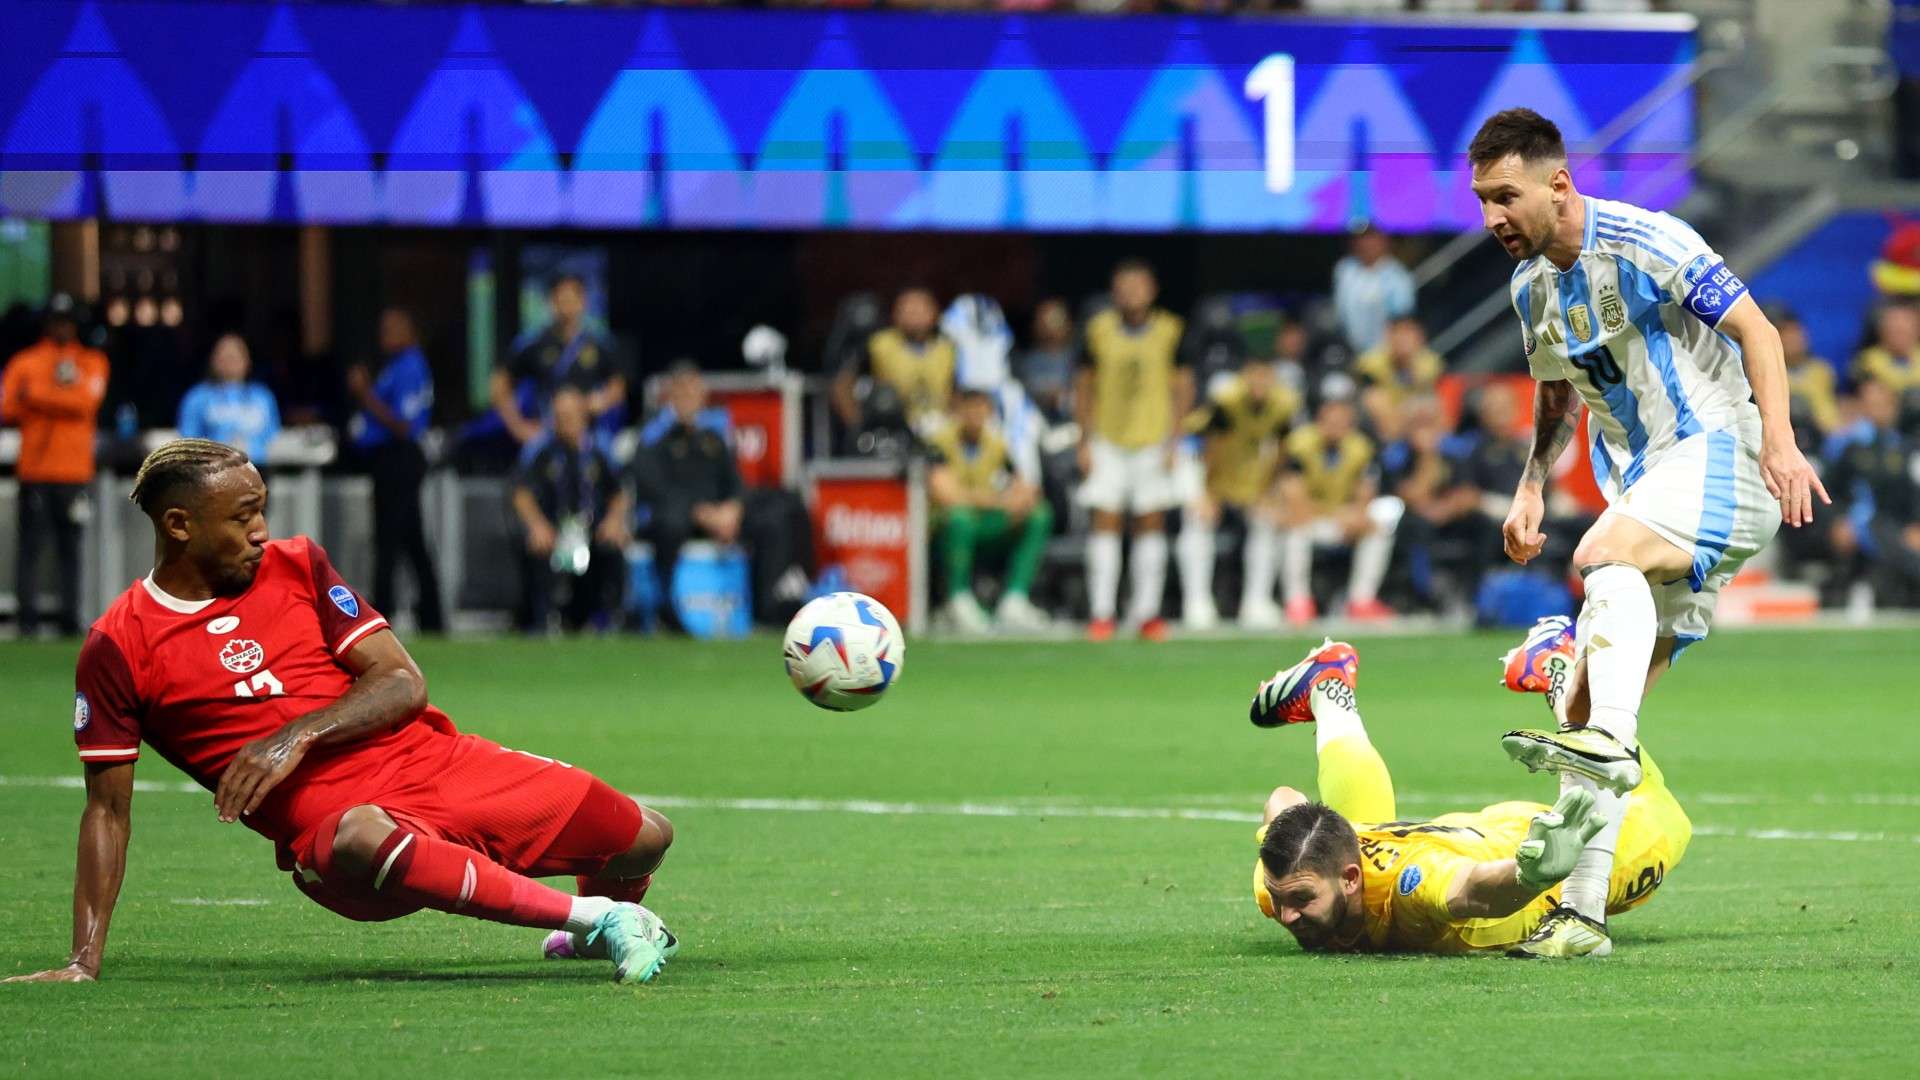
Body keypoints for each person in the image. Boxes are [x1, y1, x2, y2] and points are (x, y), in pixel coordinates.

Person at [4, 438, 676, 987]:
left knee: (646, 836)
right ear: (180, 526)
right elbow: (107, 811)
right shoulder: (119, 644)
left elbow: (402, 681)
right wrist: (82, 960)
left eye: (261, 509)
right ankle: (596, 918)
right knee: (358, 833)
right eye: (241, 517)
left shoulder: (297, 566)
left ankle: (590, 927)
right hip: (339, 837)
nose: (260, 531)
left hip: (434, 762)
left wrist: (296, 734)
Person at [1473, 107, 1823, 957]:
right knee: (1580, 710)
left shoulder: (1646, 240)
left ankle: (1610, 742)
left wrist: (1779, 439)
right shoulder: (1531, 289)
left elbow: (1757, 331)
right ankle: (1583, 916)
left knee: (1599, 556)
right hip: (1649, 486)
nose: (1493, 218)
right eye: (1483, 201)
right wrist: (1530, 488)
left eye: (1506, 196)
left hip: (1720, 455)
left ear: (1558, 182)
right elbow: (1557, 391)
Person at [1246, 638, 1689, 956]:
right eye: (1281, 898)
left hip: (1546, 848)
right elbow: (1283, 801)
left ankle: (1557, 667)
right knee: (1344, 828)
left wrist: (1532, 876)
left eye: (1302, 900)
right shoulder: (1281, 879)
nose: (1285, 915)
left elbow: (1472, 892)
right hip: (1476, 834)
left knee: (1666, 820)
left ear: (1350, 878)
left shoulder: (1413, 885)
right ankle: (1328, 689)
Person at [1076, 259, 1191, 642]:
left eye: (1138, 286)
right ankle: (1102, 613)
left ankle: (1147, 613)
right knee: (1105, 520)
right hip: (1107, 439)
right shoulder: (1098, 331)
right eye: (1123, 286)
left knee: (1150, 521)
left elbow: (1183, 386)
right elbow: (1083, 384)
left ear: (1152, 290)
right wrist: (1084, 439)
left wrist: (1176, 440)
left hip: (1154, 440)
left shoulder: (1170, 331)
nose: (1131, 293)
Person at [1, 295, 108, 637]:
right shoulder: (26, 360)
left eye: (67, 320)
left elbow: (86, 402)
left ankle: (70, 619)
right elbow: (6, 407)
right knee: (29, 549)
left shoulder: (92, 360)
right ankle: (27, 621)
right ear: (46, 324)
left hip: (74, 471)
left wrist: (36, 397)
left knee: (70, 549)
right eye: (55, 320)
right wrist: (60, 398)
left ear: (75, 325)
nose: (61, 326)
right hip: (34, 469)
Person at [1176, 355, 1301, 630]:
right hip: (1202, 468)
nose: (1260, 382)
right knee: (1198, 520)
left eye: (1265, 374)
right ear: (1245, 375)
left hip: (1247, 477)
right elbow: (1209, 448)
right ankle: (1196, 602)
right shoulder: (1227, 401)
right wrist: (1206, 493)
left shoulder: (1283, 404)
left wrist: (1268, 490)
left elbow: (1281, 450)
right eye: (1254, 374)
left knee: (1266, 520)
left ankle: (1256, 602)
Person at [347, 307, 444, 634]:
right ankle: (432, 616)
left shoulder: (411, 366)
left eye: (393, 328)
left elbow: (403, 425)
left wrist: (364, 394)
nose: (385, 334)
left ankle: (382, 614)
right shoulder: (394, 366)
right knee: (411, 539)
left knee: (388, 539)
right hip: (387, 458)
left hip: (399, 458)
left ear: (410, 331)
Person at [926, 387, 1052, 634]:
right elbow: (947, 494)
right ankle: (957, 600)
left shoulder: (997, 445)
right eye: (969, 407)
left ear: (990, 412)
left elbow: (1022, 486)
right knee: (960, 518)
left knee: (1039, 514)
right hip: (944, 531)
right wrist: (996, 501)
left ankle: (1015, 599)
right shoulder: (938, 442)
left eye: (981, 408)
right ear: (958, 410)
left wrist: (1021, 499)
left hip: (984, 524)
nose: (975, 414)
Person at [511, 388, 631, 633]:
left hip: (591, 528)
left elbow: (618, 492)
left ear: (584, 415)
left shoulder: (600, 449)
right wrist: (536, 525)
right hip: (555, 528)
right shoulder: (541, 450)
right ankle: (541, 620)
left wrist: (615, 521)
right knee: (537, 547)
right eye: (560, 416)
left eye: (572, 415)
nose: (566, 421)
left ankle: (608, 620)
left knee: (613, 544)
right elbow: (521, 493)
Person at [1278, 397, 1401, 624]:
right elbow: (1296, 499)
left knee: (1378, 527)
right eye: (1330, 422)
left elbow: (1365, 494)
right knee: (1295, 529)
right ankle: (1297, 601)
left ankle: (1361, 600)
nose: (1335, 428)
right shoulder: (1299, 444)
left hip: (1339, 520)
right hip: (1311, 519)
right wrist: (1338, 513)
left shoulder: (1360, 447)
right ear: (1319, 422)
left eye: (1342, 422)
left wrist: (1356, 516)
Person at [630, 362, 745, 607]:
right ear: (670, 395)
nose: (689, 399)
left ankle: (768, 605)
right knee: (671, 522)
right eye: (683, 393)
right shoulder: (654, 433)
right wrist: (700, 512)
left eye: (695, 393)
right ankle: (668, 604)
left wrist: (732, 508)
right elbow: (653, 487)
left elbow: (734, 481)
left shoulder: (713, 434)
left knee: (773, 515)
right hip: (672, 515)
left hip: (715, 517)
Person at [491, 274, 628, 446]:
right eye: (562, 299)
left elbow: (618, 386)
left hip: (590, 433)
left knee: (613, 461)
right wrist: (518, 427)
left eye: (572, 298)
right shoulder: (533, 342)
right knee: (531, 460)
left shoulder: (600, 342)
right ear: (552, 302)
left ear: (583, 301)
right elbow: (499, 384)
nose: (567, 305)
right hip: (546, 432)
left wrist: (601, 401)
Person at [1826, 381, 1920, 606]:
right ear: (1862, 408)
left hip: (1898, 524)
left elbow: (1914, 492)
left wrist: (1916, 524)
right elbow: (1828, 490)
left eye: (1884, 405)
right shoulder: (1848, 446)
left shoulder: (1906, 448)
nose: (1879, 411)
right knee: (1900, 550)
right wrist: (1838, 521)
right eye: (1872, 405)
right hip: (1863, 522)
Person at [831, 286, 957, 439]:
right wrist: (857, 426)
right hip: (891, 428)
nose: (913, 314)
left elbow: (958, 393)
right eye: (907, 309)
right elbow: (843, 385)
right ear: (895, 314)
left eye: (920, 309)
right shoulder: (878, 344)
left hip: (938, 426)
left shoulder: (948, 349)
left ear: (934, 314)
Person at [176, 334, 280, 462]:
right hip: (212, 470)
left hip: (258, 468)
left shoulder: (263, 396)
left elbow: (273, 436)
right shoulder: (197, 397)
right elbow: (188, 440)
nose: (230, 362)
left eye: (235, 357)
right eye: (224, 357)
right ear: (213, 361)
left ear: (247, 361)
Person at [1331, 224, 1415, 353]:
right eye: (1362, 238)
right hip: (1348, 349)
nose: (1366, 244)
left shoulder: (1397, 275)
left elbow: (1402, 319)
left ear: (1384, 241)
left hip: (1385, 353)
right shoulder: (1344, 269)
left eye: (1371, 238)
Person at [1352, 315, 1442, 408]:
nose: (1402, 338)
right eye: (1397, 332)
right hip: (1382, 412)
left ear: (1420, 337)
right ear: (1388, 335)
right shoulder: (1370, 363)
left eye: (1408, 332)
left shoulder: (1431, 363)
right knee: (1376, 398)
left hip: (1416, 410)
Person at [1017, 298, 1077, 422]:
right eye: (1043, 320)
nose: (1048, 327)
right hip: (1035, 424)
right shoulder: (1024, 363)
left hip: (1071, 425)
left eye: (1054, 320)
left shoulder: (1078, 360)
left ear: (1068, 324)